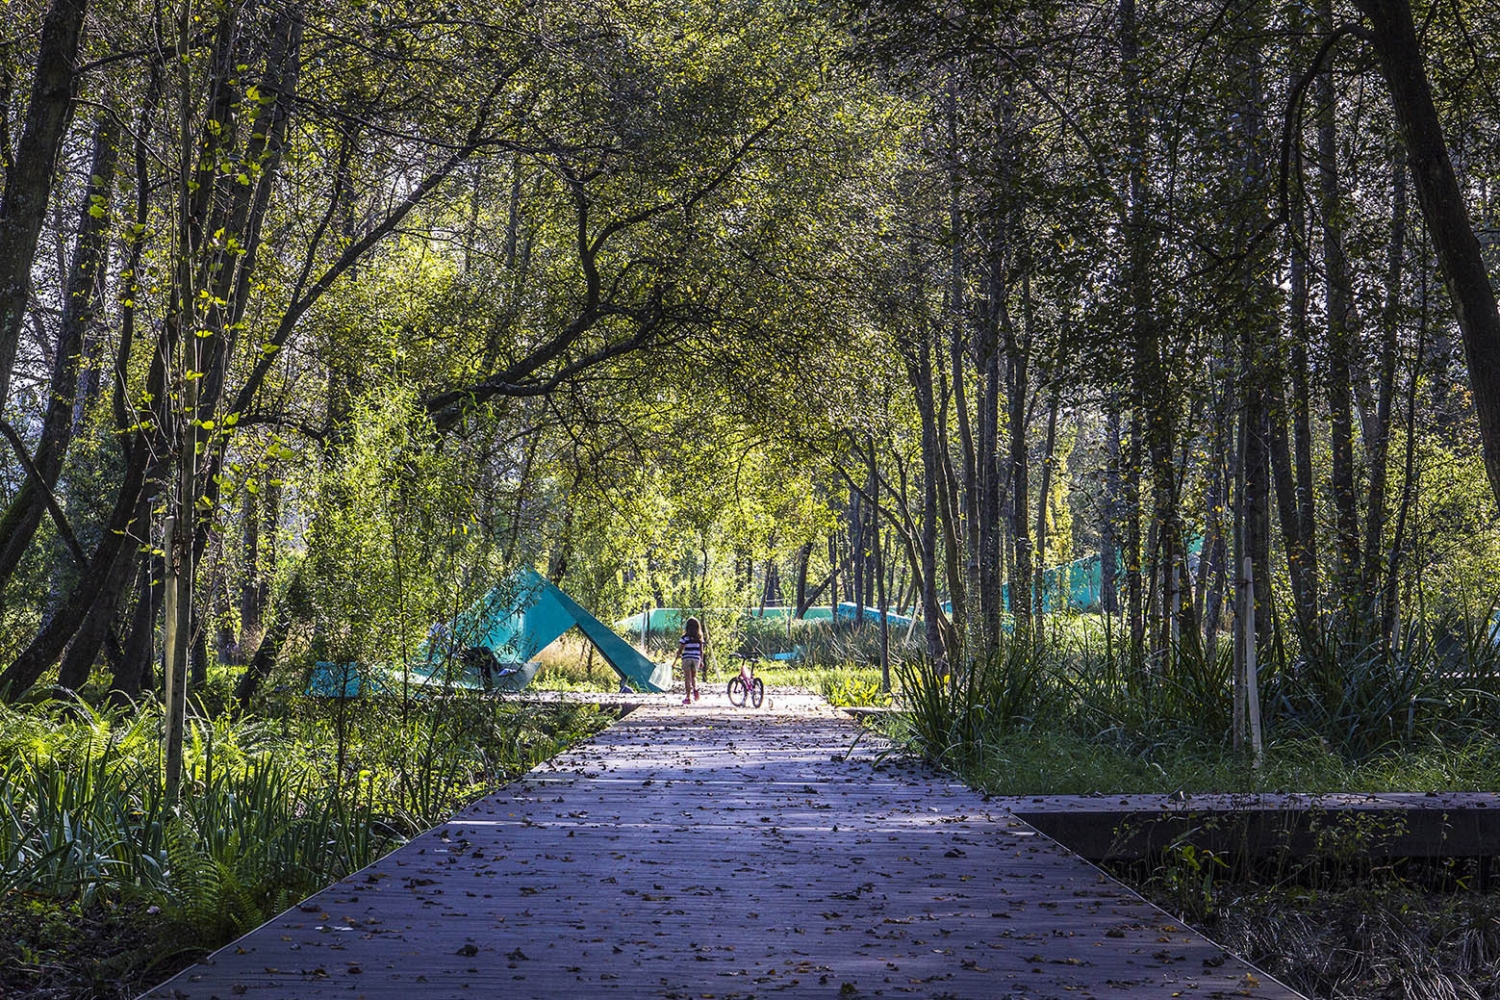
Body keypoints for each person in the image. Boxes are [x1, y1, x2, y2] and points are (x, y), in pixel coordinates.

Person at [671, 616, 706, 704]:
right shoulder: (699, 638)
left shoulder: (684, 638)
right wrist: (701, 661)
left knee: (687, 678)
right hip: (696, 658)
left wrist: (675, 661)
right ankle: (695, 689)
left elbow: (680, 650)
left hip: (687, 658)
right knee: (694, 676)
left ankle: (688, 697)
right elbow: (701, 651)